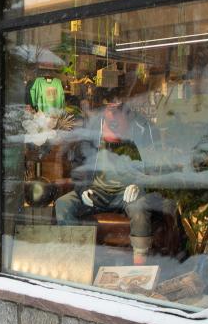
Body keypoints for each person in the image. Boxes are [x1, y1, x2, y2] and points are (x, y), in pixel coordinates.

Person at [54, 97, 163, 262]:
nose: (112, 109)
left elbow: (155, 166)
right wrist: (83, 189)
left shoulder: (143, 128)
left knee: (139, 209)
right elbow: (79, 163)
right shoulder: (92, 128)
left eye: (118, 106)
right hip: (96, 191)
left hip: (126, 192)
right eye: (109, 106)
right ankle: (76, 260)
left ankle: (139, 265)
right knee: (63, 204)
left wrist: (139, 184)